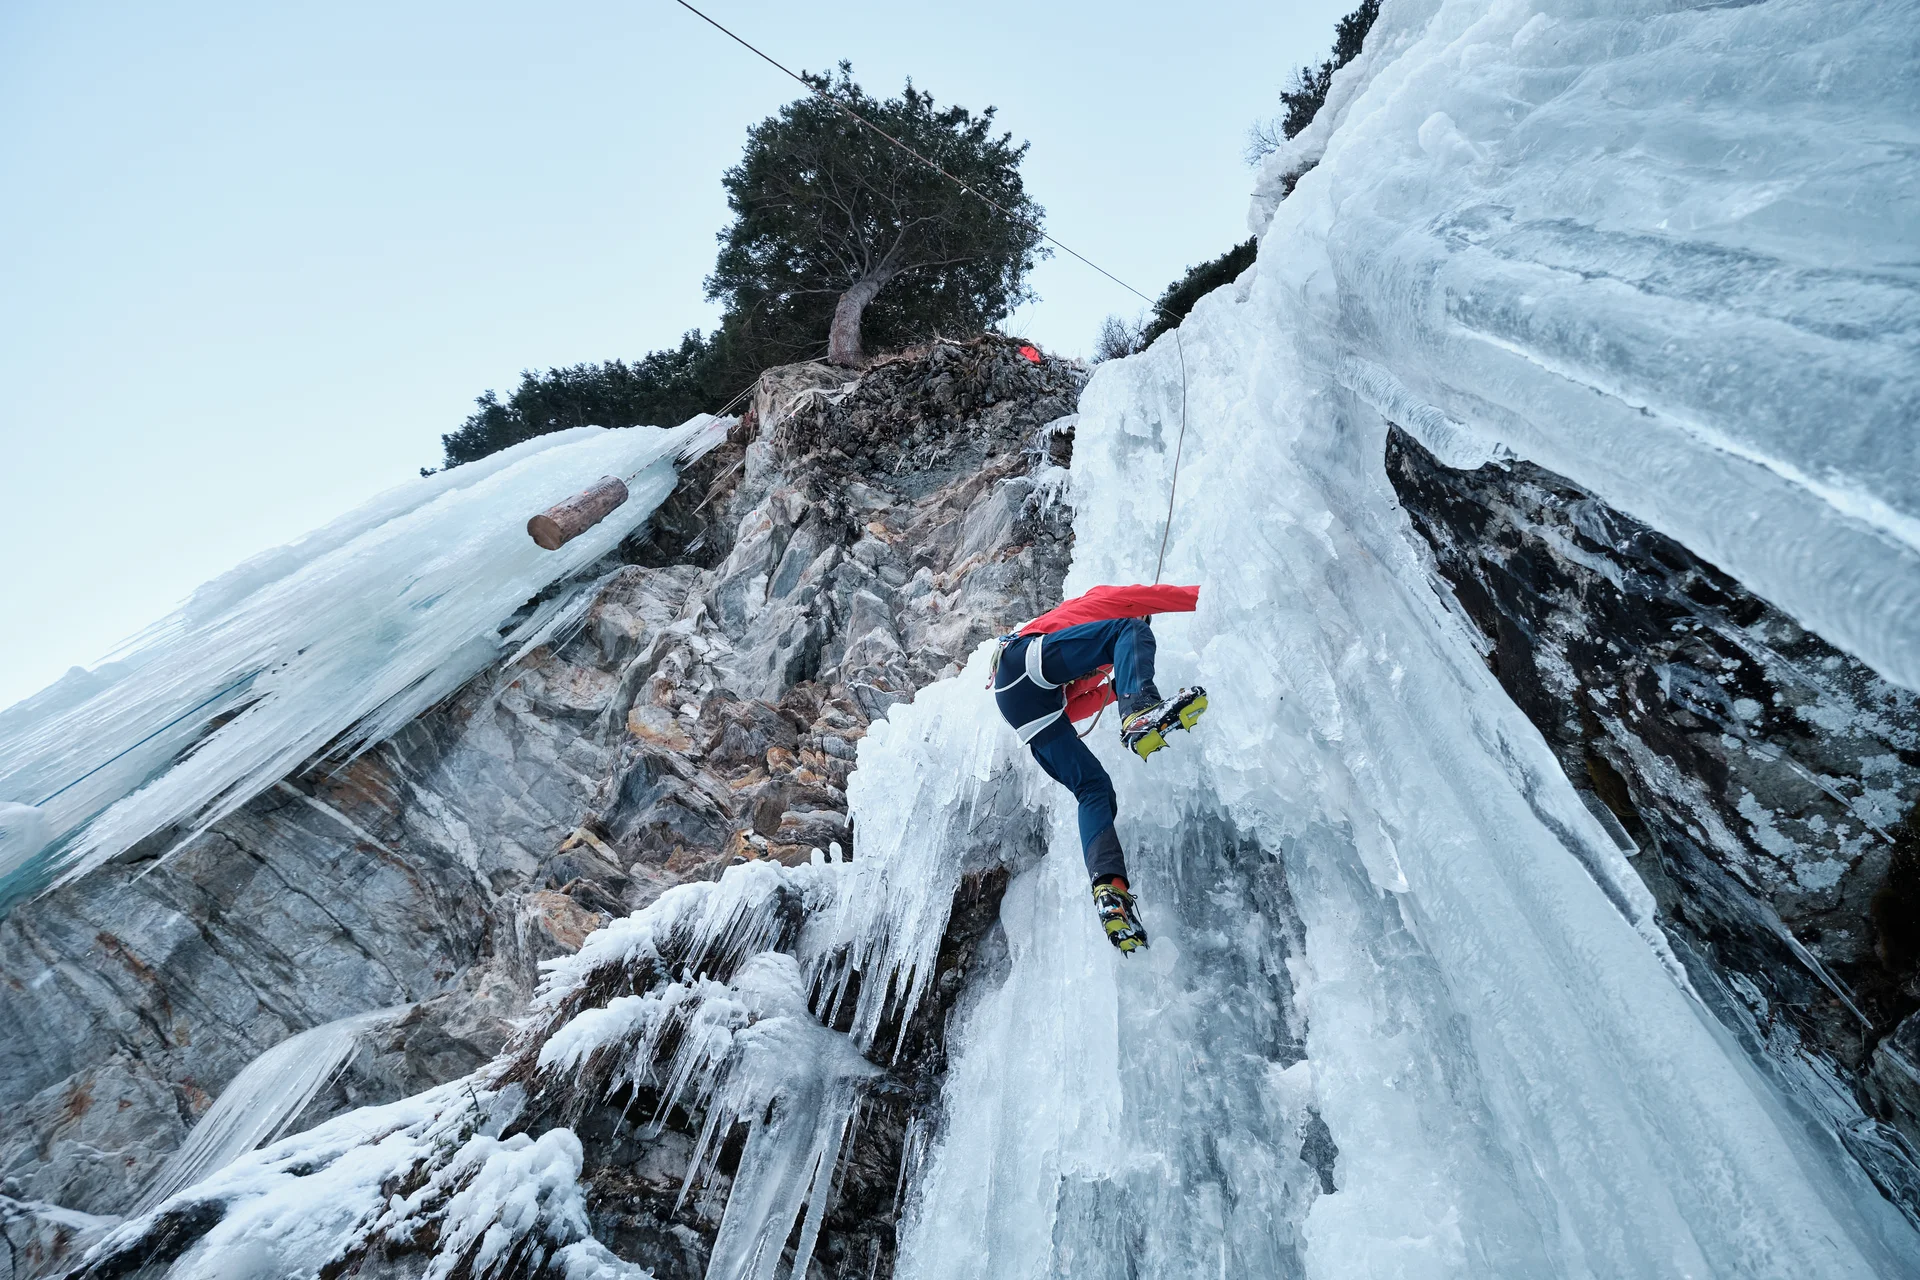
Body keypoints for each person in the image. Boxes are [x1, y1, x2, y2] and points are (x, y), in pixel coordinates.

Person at [989, 584, 1208, 955]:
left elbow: (1079, 708)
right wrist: (1206, 596)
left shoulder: (1093, 661)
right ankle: (1140, 712)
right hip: (1022, 659)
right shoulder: (1092, 608)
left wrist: (1120, 689)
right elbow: (1144, 597)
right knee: (1130, 631)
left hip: (1025, 709)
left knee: (1094, 789)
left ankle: (1110, 888)